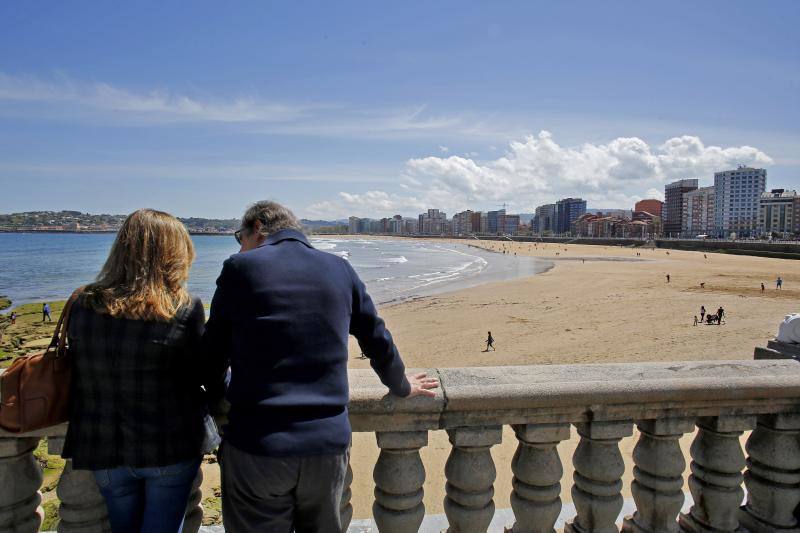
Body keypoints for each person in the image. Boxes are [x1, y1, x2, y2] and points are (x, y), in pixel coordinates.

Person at [205, 201, 438, 532]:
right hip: (326, 445)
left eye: (238, 236)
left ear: (257, 227)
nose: (240, 246)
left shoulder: (240, 269)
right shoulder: (339, 269)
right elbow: (376, 337)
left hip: (259, 444)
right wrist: (400, 385)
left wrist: (217, 393)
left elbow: (212, 352)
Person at [61, 209, 226, 533]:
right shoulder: (183, 306)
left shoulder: (83, 303)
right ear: (175, 254)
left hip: (104, 446)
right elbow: (206, 373)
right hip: (168, 445)